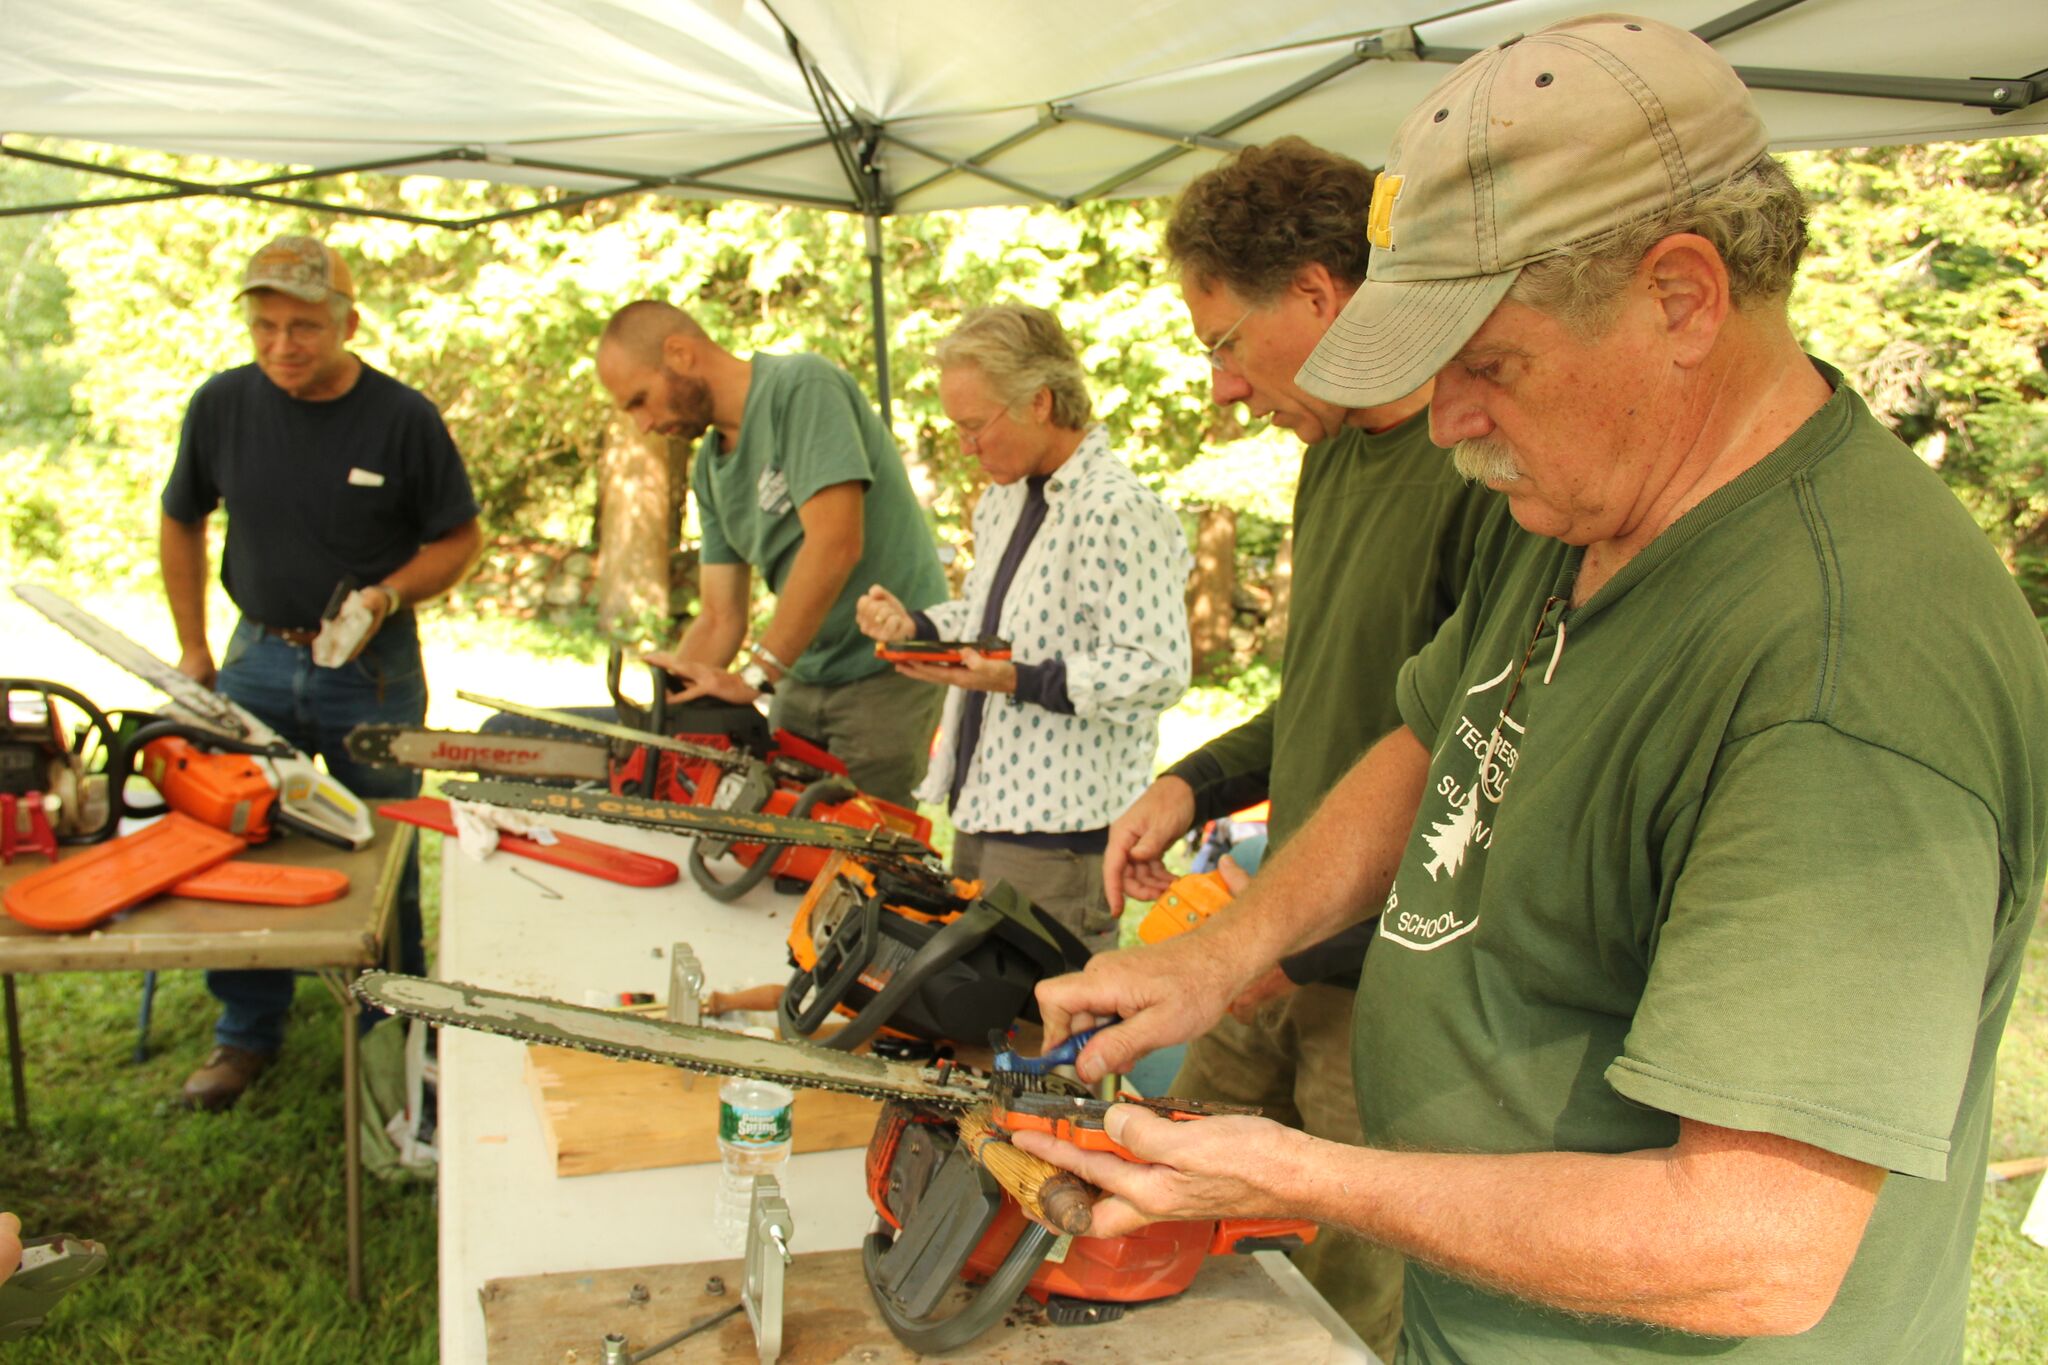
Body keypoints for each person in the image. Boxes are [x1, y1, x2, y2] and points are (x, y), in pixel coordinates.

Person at [1019, 16, 2048, 1364]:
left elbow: (1755, 1250)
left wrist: (1299, 1174)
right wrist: (1222, 952)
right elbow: (1431, 739)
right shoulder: (1578, 499)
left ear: (1680, 297)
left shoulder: (1846, 667)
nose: (1448, 422)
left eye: (1487, 365)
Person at [1099, 137, 1497, 1358]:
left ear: (1319, 295)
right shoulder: (1330, 459)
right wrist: (1190, 783)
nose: (1222, 389)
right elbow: (1326, 699)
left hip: (1384, 996)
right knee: (1156, 1207)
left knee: (1339, 1314)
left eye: (1225, 344)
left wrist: (1296, 947)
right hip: (1270, 946)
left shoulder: (1479, 473)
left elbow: (1484, 777)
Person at [162, 234, 482, 1111]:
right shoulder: (222, 404)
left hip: (371, 668)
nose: (281, 345)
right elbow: (180, 516)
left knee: (382, 846)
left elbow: (458, 537)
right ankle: (245, 1030)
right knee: (244, 835)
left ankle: (392, 1027)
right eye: (264, 326)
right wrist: (192, 645)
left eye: (303, 326)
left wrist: (387, 594)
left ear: (348, 322)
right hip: (256, 657)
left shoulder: (401, 417)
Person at [856, 305, 1190, 943]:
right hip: (982, 809)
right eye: (957, 429)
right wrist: (912, 624)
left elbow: (1155, 669)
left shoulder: (1118, 509)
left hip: (1062, 840)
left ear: (1040, 401)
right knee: (971, 998)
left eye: (974, 426)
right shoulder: (1004, 499)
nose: (966, 446)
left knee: (1043, 1005)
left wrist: (1020, 680)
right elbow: (995, 620)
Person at [596, 302, 948, 807]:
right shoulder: (709, 468)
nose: (643, 425)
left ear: (679, 354)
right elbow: (720, 618)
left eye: (640, 401)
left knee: (863, 841)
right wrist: (663, 716)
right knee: (775, 833)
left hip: (886, 671)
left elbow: (835, 544)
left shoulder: (802, 388)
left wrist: (757, 675)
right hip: (802, 671)